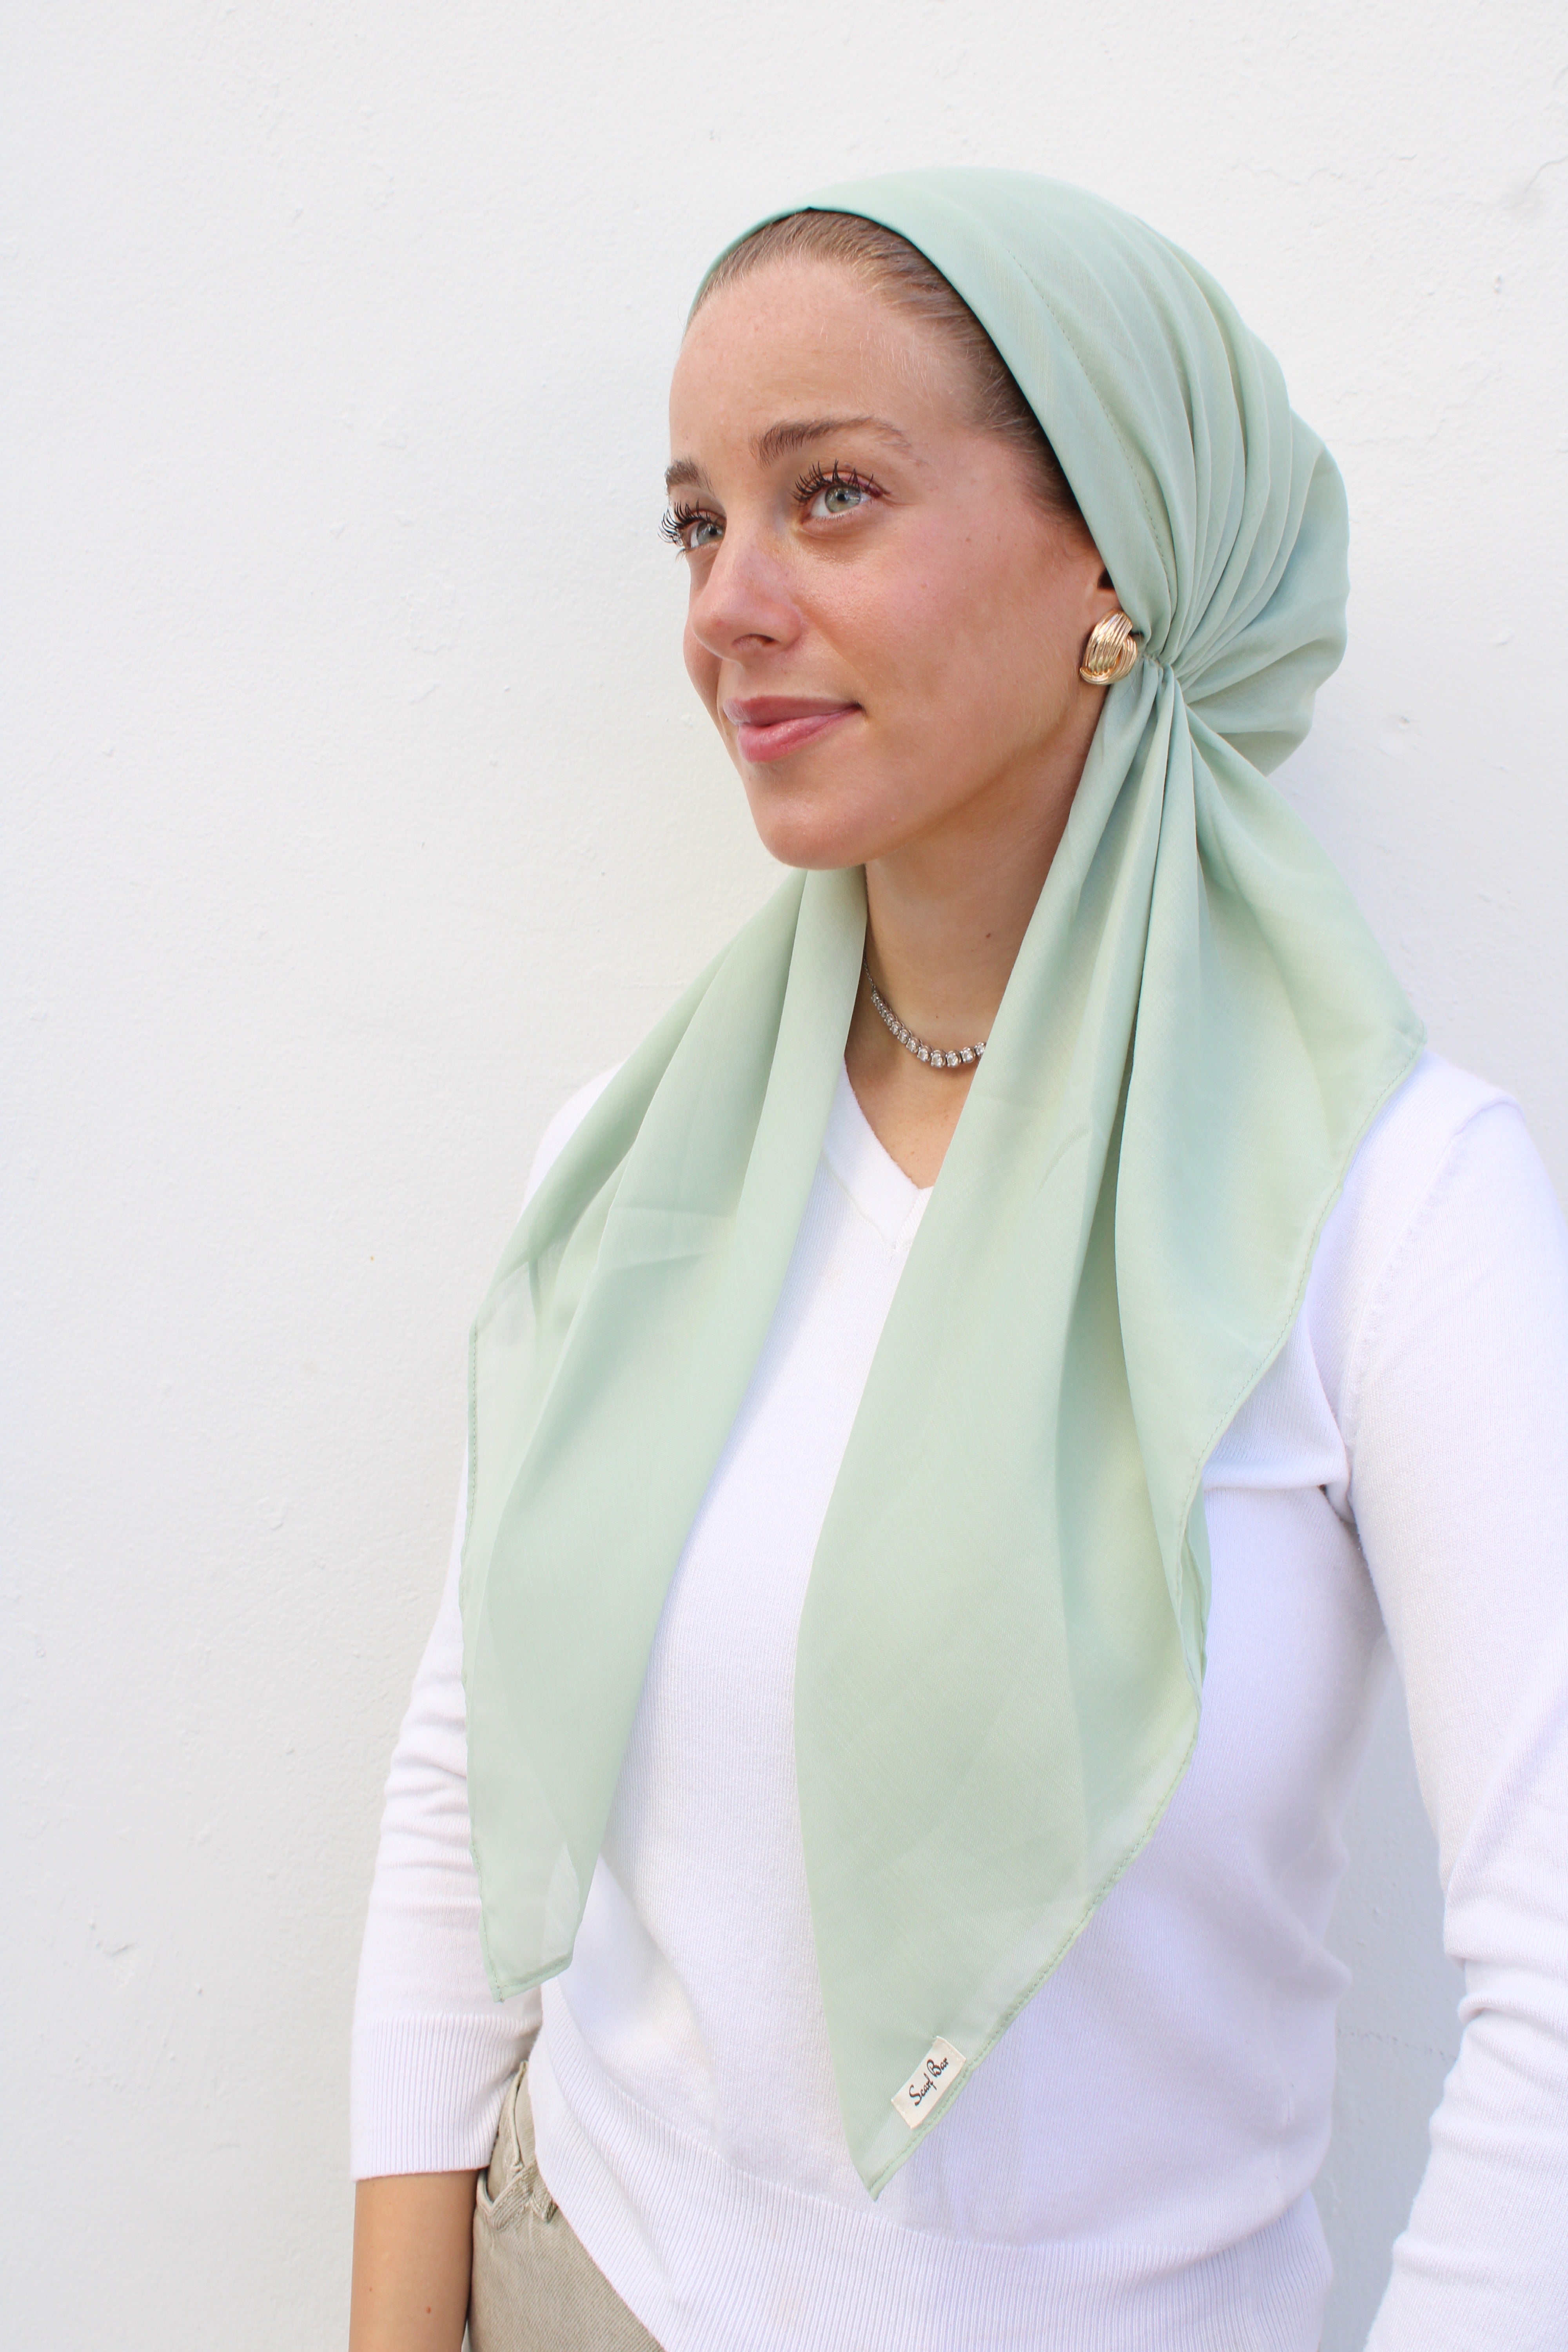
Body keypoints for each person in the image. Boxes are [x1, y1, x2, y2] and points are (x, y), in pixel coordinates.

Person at [347, 172, 1568, 2352]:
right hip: (573, 2280)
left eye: (830, 494)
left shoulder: (1394, 1210)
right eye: (696, 523)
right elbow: (469, 1778)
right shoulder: (644, 1166)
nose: (728, 605)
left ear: (1116, 554)